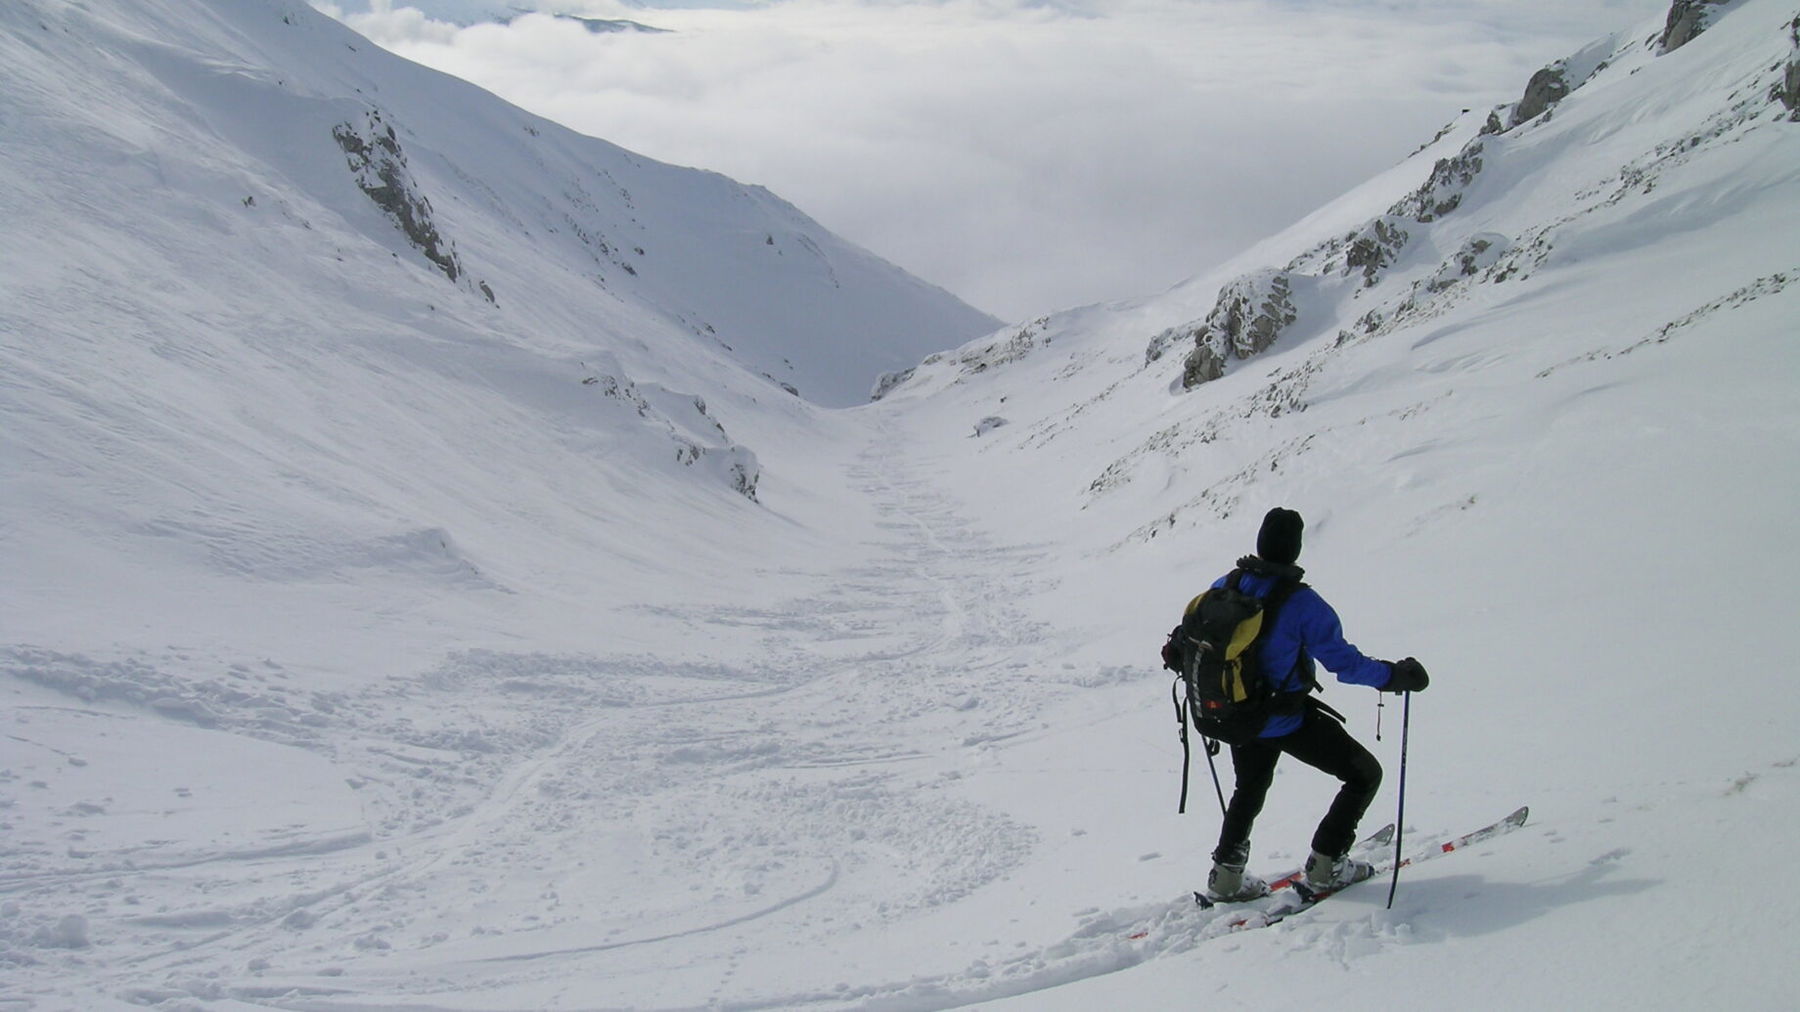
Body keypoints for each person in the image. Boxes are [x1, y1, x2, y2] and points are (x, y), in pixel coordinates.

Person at [1183, 507, 1429, 902]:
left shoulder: (1225, 584)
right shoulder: (1302, 604)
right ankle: (1327, 864)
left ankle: (1226, 877)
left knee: (1249, 787)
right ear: (1295, 549)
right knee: (1364, 775)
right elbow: (1345, 664)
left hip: (1236, 715)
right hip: (1284, 718)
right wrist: (1395, 676)